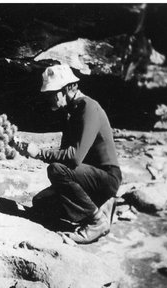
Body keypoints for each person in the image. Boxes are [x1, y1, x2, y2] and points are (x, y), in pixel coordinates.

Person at [18, 64, 122, 244]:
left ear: (66, 89)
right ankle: (100, 205)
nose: (48, 98)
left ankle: (97, 222)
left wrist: (39, 153)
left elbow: (74, 157)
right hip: (89, 177)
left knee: (56, 170)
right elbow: (68, 158)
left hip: (107, 177)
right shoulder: (72, 112)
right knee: (41, 203)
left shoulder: (88, 107)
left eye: (51, 93)